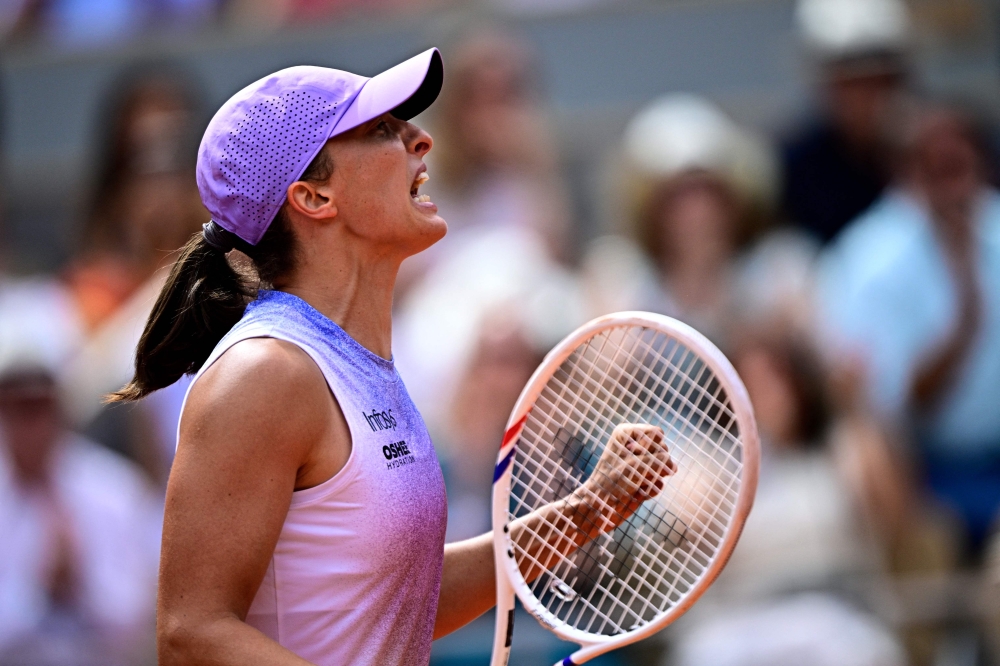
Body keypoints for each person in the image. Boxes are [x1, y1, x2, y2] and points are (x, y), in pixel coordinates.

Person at [110, 49, 676, 665]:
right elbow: (191, 635)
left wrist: (589, 510)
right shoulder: (266, 374)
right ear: (314, 197)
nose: (422, 139)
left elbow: (397, 605)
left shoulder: (356, 363)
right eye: (383, 130)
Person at [0, 284, 159, 666]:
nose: (32, 427)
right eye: (19, 411)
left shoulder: (115, 491)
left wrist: (82, 582)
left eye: (42, 408)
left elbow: (141, 613)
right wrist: (37, 592)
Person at [782, 0, 911, 244]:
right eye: (851, 84)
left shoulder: (943, 154)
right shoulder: (798, 169)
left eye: (879, 81)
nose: (865, 98)